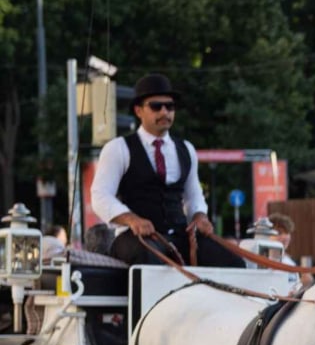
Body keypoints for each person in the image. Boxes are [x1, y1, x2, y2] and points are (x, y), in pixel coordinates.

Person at [89, 74, 244, 269]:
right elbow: (100, 196)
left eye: (169, 106)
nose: (164, 112)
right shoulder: (118, 148)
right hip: (135, 238)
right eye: (156, 106)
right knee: (150, 262)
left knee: (232, 261)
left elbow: (194, 196)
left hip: (180, 236)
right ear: (138, 110)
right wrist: (132, 219)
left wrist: (199, 217)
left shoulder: (186, 149)